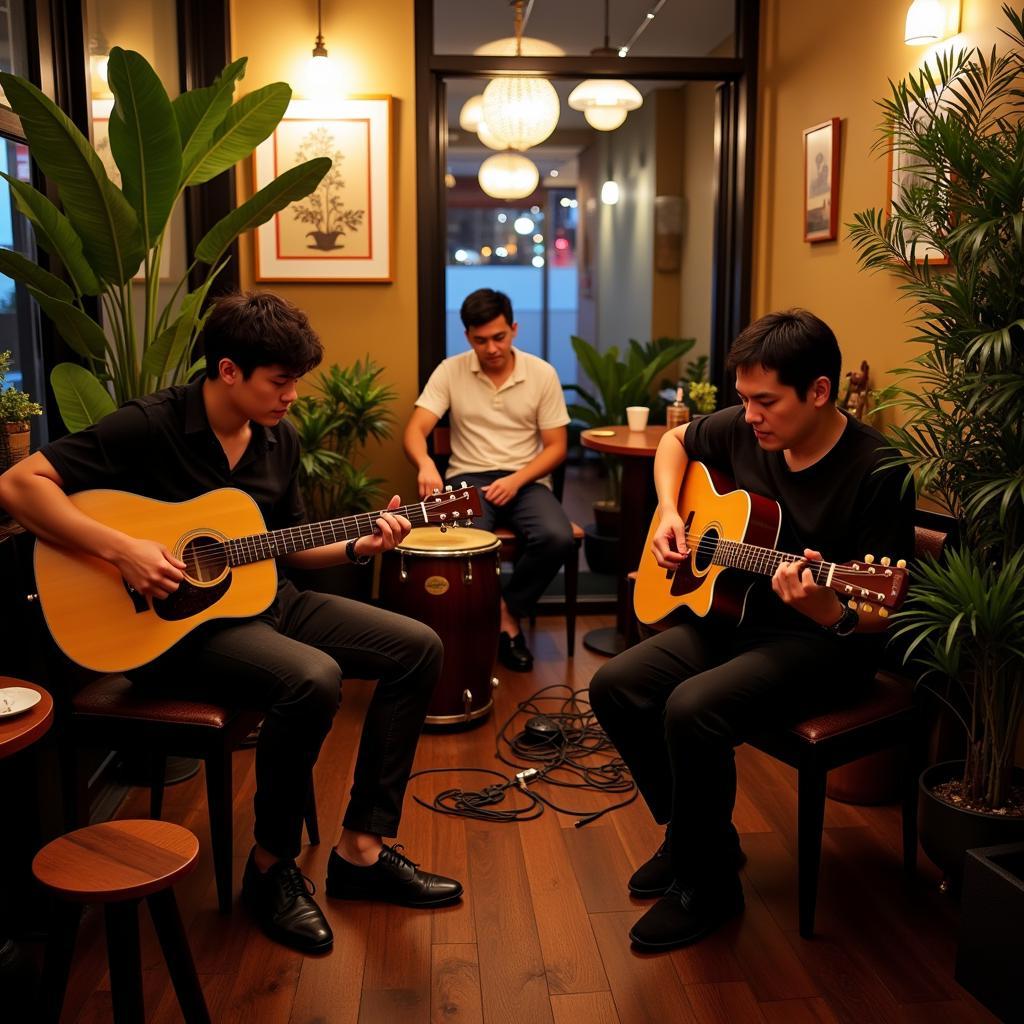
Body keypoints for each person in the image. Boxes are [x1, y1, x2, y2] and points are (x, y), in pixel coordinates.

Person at [0, 292, 463, 955]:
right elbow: (19, 485)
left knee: (418, 646)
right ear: (227, 371)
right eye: (279, 381)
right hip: (170, 632)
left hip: (263, 600)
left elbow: (288, 543)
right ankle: (271, 868)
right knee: (313, 677)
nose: (292, 395)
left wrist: (365, 542)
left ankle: (362, 849)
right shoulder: (150, 425)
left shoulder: (278, 438)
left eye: (295, 381)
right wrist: (124, 549)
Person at [589, 309, 915, 951]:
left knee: (691, 708)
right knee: (615, 686)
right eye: (743, 401)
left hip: (822, 644)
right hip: (735, 617)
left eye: (766, 402)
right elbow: (674, 444)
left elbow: (879, 613)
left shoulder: (878, 469)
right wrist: (665, 514)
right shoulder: (745, 430)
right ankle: (694, 836)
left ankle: (706, 887)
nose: (751, 416)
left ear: (819, 391)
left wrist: (825, 607)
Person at [403, 288, 574, 672]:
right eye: (480, 340)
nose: (492, 348)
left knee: (557, 537)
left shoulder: (541, 373)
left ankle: (505, 614)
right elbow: (415, 429)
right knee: (465, 545)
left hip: (526, 480)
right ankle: (494, 628)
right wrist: (425, 464)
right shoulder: (451, 369)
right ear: (468, 338)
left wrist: (516, 480)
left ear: (514, 328)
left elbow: (556, 447)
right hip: (469, 479)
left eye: (499, 337)